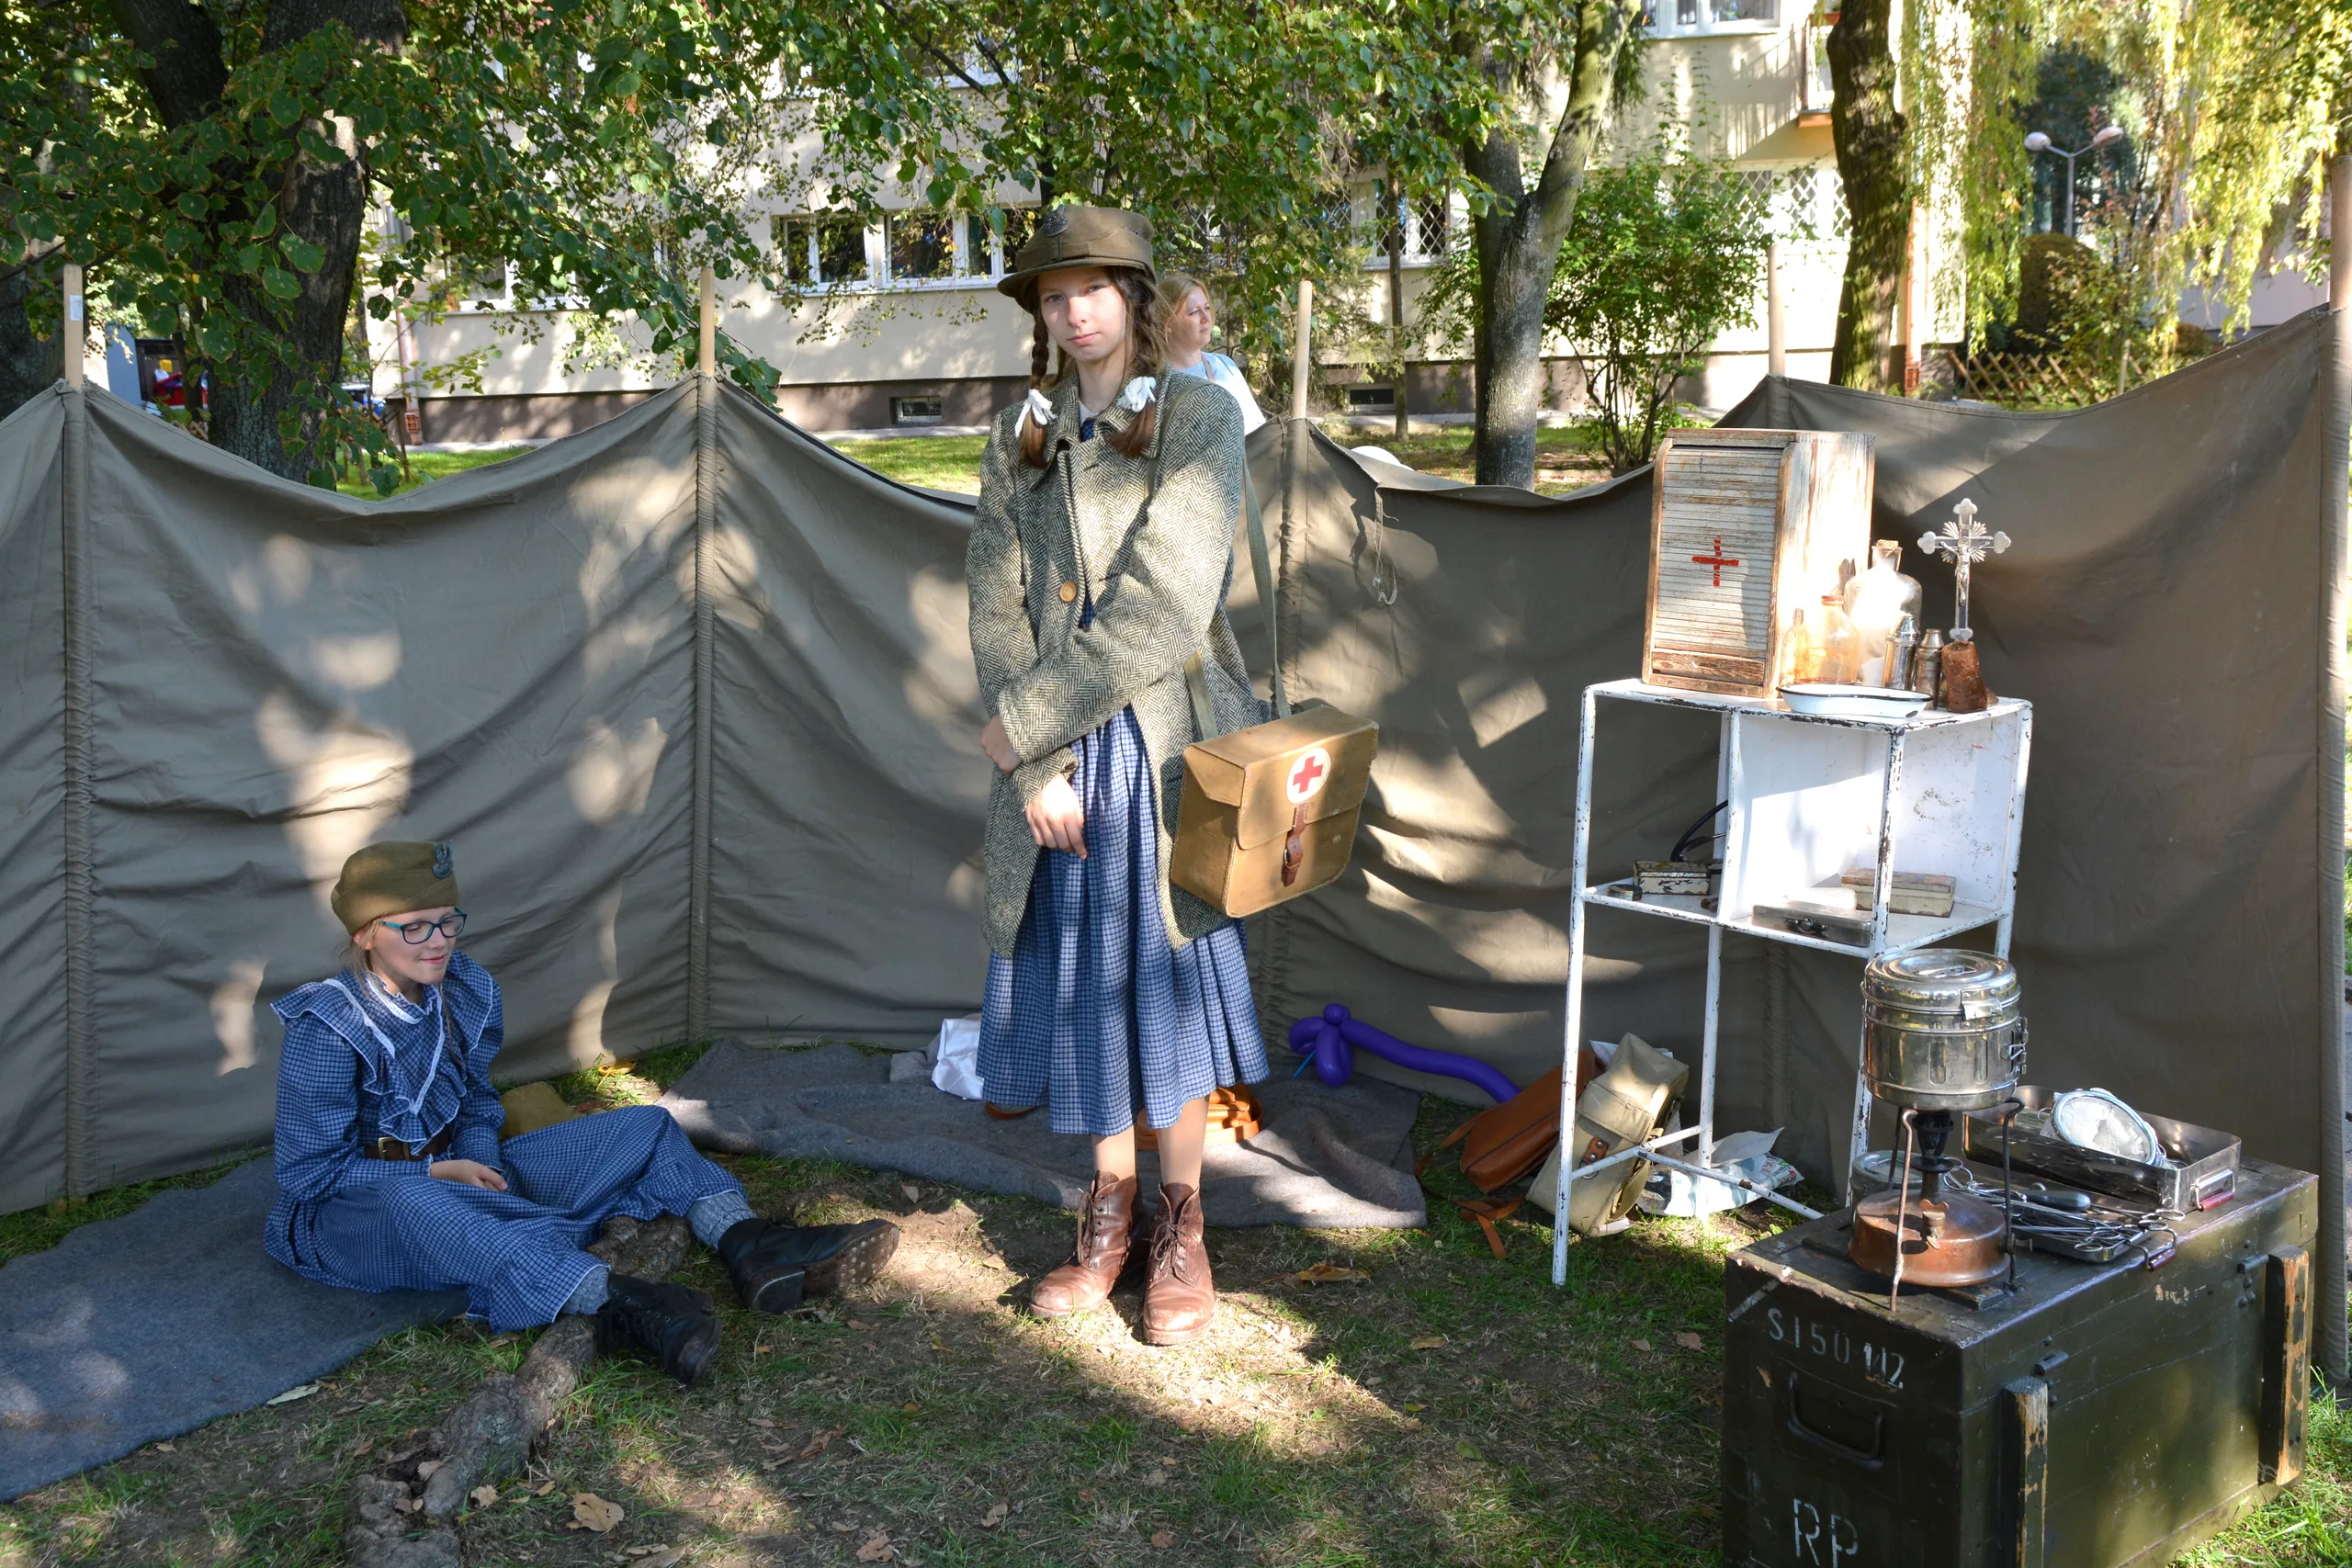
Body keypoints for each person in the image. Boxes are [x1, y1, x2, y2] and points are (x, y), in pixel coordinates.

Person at [263, 840, 899, 1385]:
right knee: (419, 1206)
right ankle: (620, 1301)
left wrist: (479, 1156)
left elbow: (478, 1100)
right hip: (359, 1212)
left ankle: (751, 1244)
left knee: (646, 1125)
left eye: (447, 920)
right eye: (414, 927)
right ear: (364, 934)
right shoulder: (330, 1027)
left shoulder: (462, 989)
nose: (439, 942)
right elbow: (307, 1176)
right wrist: (433, 1176)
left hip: (458, 1173)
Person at [967, 206, 1269, 1346]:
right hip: (1053, 765)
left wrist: (1025, 720)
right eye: (1053, 294)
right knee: (1087, 990)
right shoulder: (1018, 434)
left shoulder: (1197, 416)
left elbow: (1165, 606)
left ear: (1135, 301)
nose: (1074, 309)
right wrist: (1033, 760)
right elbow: (993, 605)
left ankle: (1181, 1225)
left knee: (1164, 985)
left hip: (1158, 747)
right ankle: (1109, 1217)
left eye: (1094, 288)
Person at [1158, 272, 1266, 434]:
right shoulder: (1153, 382)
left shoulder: (1224, 366)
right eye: (1194, 312)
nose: (1206, 318)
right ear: (1168, 324)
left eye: (1207, 308)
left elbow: (1256, 434)